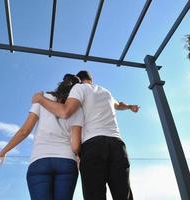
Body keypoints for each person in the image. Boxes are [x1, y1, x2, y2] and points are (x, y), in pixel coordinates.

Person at [32, 70, 139, 200]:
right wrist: (130, 107)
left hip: (93, 146)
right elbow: (119, 105)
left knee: (95, 195)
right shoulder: (106, 92)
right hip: (117, 145)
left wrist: (41, 99)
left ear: (80, 80)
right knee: (123, 194)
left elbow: (66, 112)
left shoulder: (79, 88)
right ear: (91, 80)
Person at [0, 74, 84, 200]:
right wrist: (78, 161)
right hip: (67, 161)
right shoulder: (77, 108)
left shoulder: (42, 98)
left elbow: (25, 131)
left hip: (40, 161)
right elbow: (76, 146)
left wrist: (3, 152)